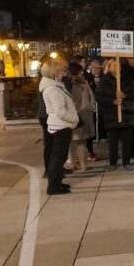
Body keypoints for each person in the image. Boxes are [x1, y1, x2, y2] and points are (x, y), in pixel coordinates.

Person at [39, 59, 78, 195]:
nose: (64, 73)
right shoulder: (53, 89)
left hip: (61, 125)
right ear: (54, 72)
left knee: (59, 157)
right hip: (61, 126)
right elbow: (60, 111)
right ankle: (53, 187)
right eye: (61, 71)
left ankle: (56, 183)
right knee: (58, 157)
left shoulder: (54, 86)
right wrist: (75, 118)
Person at [96, 58, 134, 171]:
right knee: (113, 141)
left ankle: (126, 162)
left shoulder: (128, 79)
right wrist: (113, 101)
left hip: (126, 114)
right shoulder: (104, 80)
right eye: (113, 65)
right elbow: (99, 97)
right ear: (109, 67)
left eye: (118, 65)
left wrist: (125, 95)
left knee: (127, 140)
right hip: (112, 114)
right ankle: (113, 162)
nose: (116, 67)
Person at [68, 63, 95, 171]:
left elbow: (91, 96)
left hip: (85, 114)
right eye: (80, 72)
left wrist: (92, 107)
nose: (82, 73)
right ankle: (74, 162)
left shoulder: (85, 83)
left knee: (82, 140)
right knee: (74, 140)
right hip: (75, 115)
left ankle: (82, 163)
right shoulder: (70, 85)